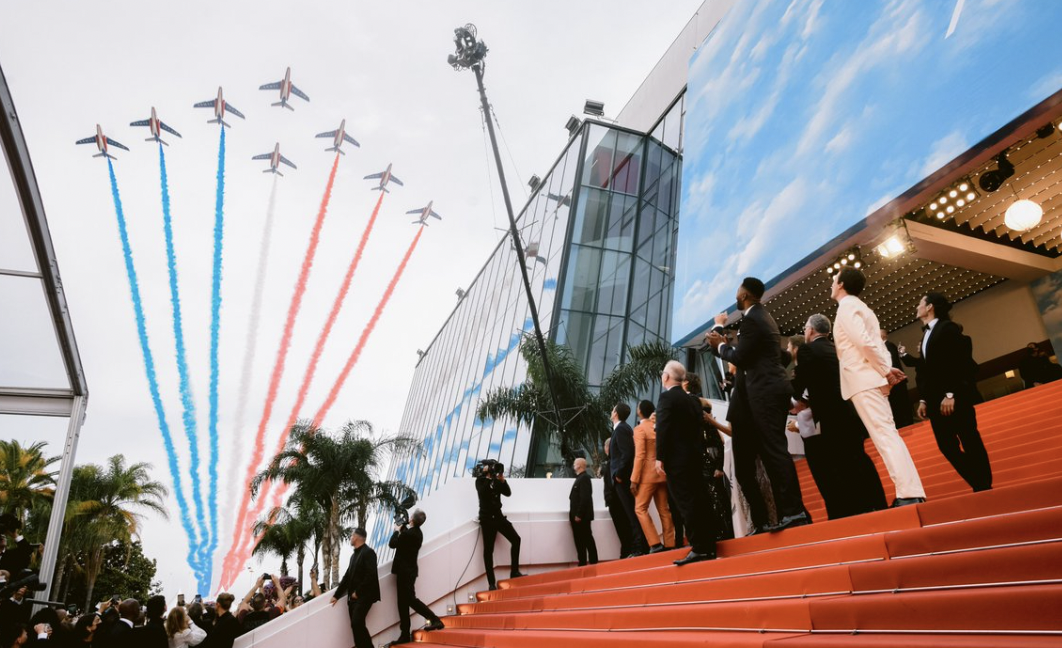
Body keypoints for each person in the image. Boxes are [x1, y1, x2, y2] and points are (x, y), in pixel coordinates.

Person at [705, 277, 808, 532]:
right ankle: (789, 512)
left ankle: (794, 511)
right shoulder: (762, 317)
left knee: (775, 453)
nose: (736, 295)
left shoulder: (753, 319)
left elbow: (739, 356)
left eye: (737, 291)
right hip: (764, 395)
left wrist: (721, 346)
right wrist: (721, 344)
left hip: (765, 395)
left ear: (744, 294)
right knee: (774, 455)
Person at [831, 267, 926, 507]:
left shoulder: (847, 307)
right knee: (887, 435)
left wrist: (885, 370)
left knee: (884, 436)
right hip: (871, 379)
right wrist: (885, 370)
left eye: (834, 279)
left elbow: (864, 343)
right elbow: (874, 343)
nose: (832, 282)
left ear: (841, 284)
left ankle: (908, 493)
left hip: (864, 380)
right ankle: (911, 490)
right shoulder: (863, 308)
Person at [793, 316, 887, 518]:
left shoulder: (808, 350)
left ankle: (855, 510)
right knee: (859, 459)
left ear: (810, 331)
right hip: (851, 411)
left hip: (830, 416)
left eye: (805, 328)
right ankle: (877, 504)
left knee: (841, 466)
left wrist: (795, 397)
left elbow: (802, 384)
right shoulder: (838, 349)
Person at [900, 293, 992, 492]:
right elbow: (924, 370)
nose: (917, 307)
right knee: (946, 446)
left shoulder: (947, 328)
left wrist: (951, 394)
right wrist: (923, 399)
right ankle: (978, 481)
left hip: (954, 397)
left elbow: (957, 362)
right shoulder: (926, 334)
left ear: (930, 306)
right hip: (934, 401)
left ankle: (983, 484)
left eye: (920, 303)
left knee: (969, 439)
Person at [655, 360, 719, 565]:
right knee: (700, 499)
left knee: (686, 502)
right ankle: (709, 545)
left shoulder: (667, 398)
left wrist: (660, 458)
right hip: (694, 458)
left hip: (677, 461)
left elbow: (663, 429)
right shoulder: (692, 400)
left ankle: (699, 547)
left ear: (666, 377)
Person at [388, 509, 445, 645]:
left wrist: (396, 529)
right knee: (402, 604)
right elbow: (405, 539)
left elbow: (392, 544)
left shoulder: (409, 534)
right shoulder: (416, 533)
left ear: (412, 519)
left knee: (410, 601)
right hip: (407, 572)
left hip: (405, 573)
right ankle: (405, 634)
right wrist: (403, 528)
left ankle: (435, 619)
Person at [630, 401, 674, 553]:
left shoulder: (639, 429)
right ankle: (670, 543)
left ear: (640, 411)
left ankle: (655, 543)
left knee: (640, 508)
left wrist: (634, 479)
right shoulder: (658, 427)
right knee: (664, 509)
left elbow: (640, 455)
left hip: (647, 476)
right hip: (661, 473)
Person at [475, 462, 525, 590]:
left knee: (516, 539)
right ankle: (491, 583)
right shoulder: (480, 481)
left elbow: (508, 493)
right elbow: (483, 492)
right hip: (487, 520)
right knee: (488, 551)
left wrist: (503, 481)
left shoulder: (496, 481)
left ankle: (514, 572)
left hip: (498, 517)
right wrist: (487, 476)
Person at [608, 404, 649, 557]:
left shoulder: (621, 429)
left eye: (613, 410)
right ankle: (638, 546)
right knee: (628, 514)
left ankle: (640, 548)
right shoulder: (621, 429)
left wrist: (619, 474)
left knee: (632, 514)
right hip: (620, 479)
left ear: (616, 413)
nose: (611, 412)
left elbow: (628, 453)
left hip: (622, 479)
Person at [331, 528, 380, 648]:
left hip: (364, 596)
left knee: (357, 623)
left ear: (357, 537)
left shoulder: (369, 552)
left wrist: (358, 592)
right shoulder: (353, 556)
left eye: (352, 536)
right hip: (353, 599)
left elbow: (371, 575)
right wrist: (336, 595)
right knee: (356, 626)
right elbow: (347, 577)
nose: (350, 538)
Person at [700, 400, 734, 541]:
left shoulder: (709, 424)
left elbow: (719, 445)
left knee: (718, 498)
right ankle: (723, 530)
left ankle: (725, 531)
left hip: (713, 466)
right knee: (717, 498)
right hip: (711, 465)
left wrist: (719, 467)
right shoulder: (706, 424)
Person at [600, 439, 633, 558]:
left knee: (622, 528)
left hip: (616, 501)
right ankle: (626, 551)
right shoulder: (612, 463)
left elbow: (611, 483)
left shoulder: (612, 463)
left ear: (608, 447)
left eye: (605, 446)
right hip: (616, 500)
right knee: (624, 527)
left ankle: (626, 552)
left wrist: (609, 498)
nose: (604, 448)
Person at [566, 458, 598, 566]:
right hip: (578, 517)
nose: (573, 465)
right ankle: (583, 561)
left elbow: (584, 498)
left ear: (579, 465)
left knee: (586, 538)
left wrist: (579, 514)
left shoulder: (584, 478)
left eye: (575, 463)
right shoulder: (581, 478)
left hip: (581, 517)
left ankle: (592, 561)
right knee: (580, 539)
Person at [881, 329, 914, 428]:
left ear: (884, 335)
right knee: (898, 405)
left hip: (896, 380)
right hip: (894, 381)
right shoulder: (884, 347)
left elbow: (892, 363)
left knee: (901, 404)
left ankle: (907, 423)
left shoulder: (888, 345)